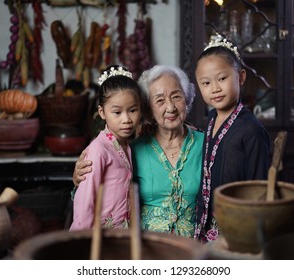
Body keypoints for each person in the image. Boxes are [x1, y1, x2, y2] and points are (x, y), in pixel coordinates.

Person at [73, 65, 204, 238]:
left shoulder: (206, 144)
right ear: (148, 109)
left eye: (176, 97)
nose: (171, 107)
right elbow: (91, 199)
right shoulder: (132, 149)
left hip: (192, 247)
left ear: (186, 100)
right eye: (159, 100)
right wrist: (77, 180)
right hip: (143, 248)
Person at [193, 34, 271, 242]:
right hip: (205, 222)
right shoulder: (210, 119)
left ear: (241, 77)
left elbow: (259, 187)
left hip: (237, 224)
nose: (215, 88)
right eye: (206, 83)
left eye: (222, 78)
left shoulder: (251, 130)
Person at [69, 65, 142, 231]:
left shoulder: (127, 145)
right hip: (96, 235)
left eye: (132, 110)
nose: (126, 119)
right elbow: (85, 201)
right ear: (102, 112)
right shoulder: (98, 150)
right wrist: (83, 239)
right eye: (117, 112)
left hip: (122, 232)